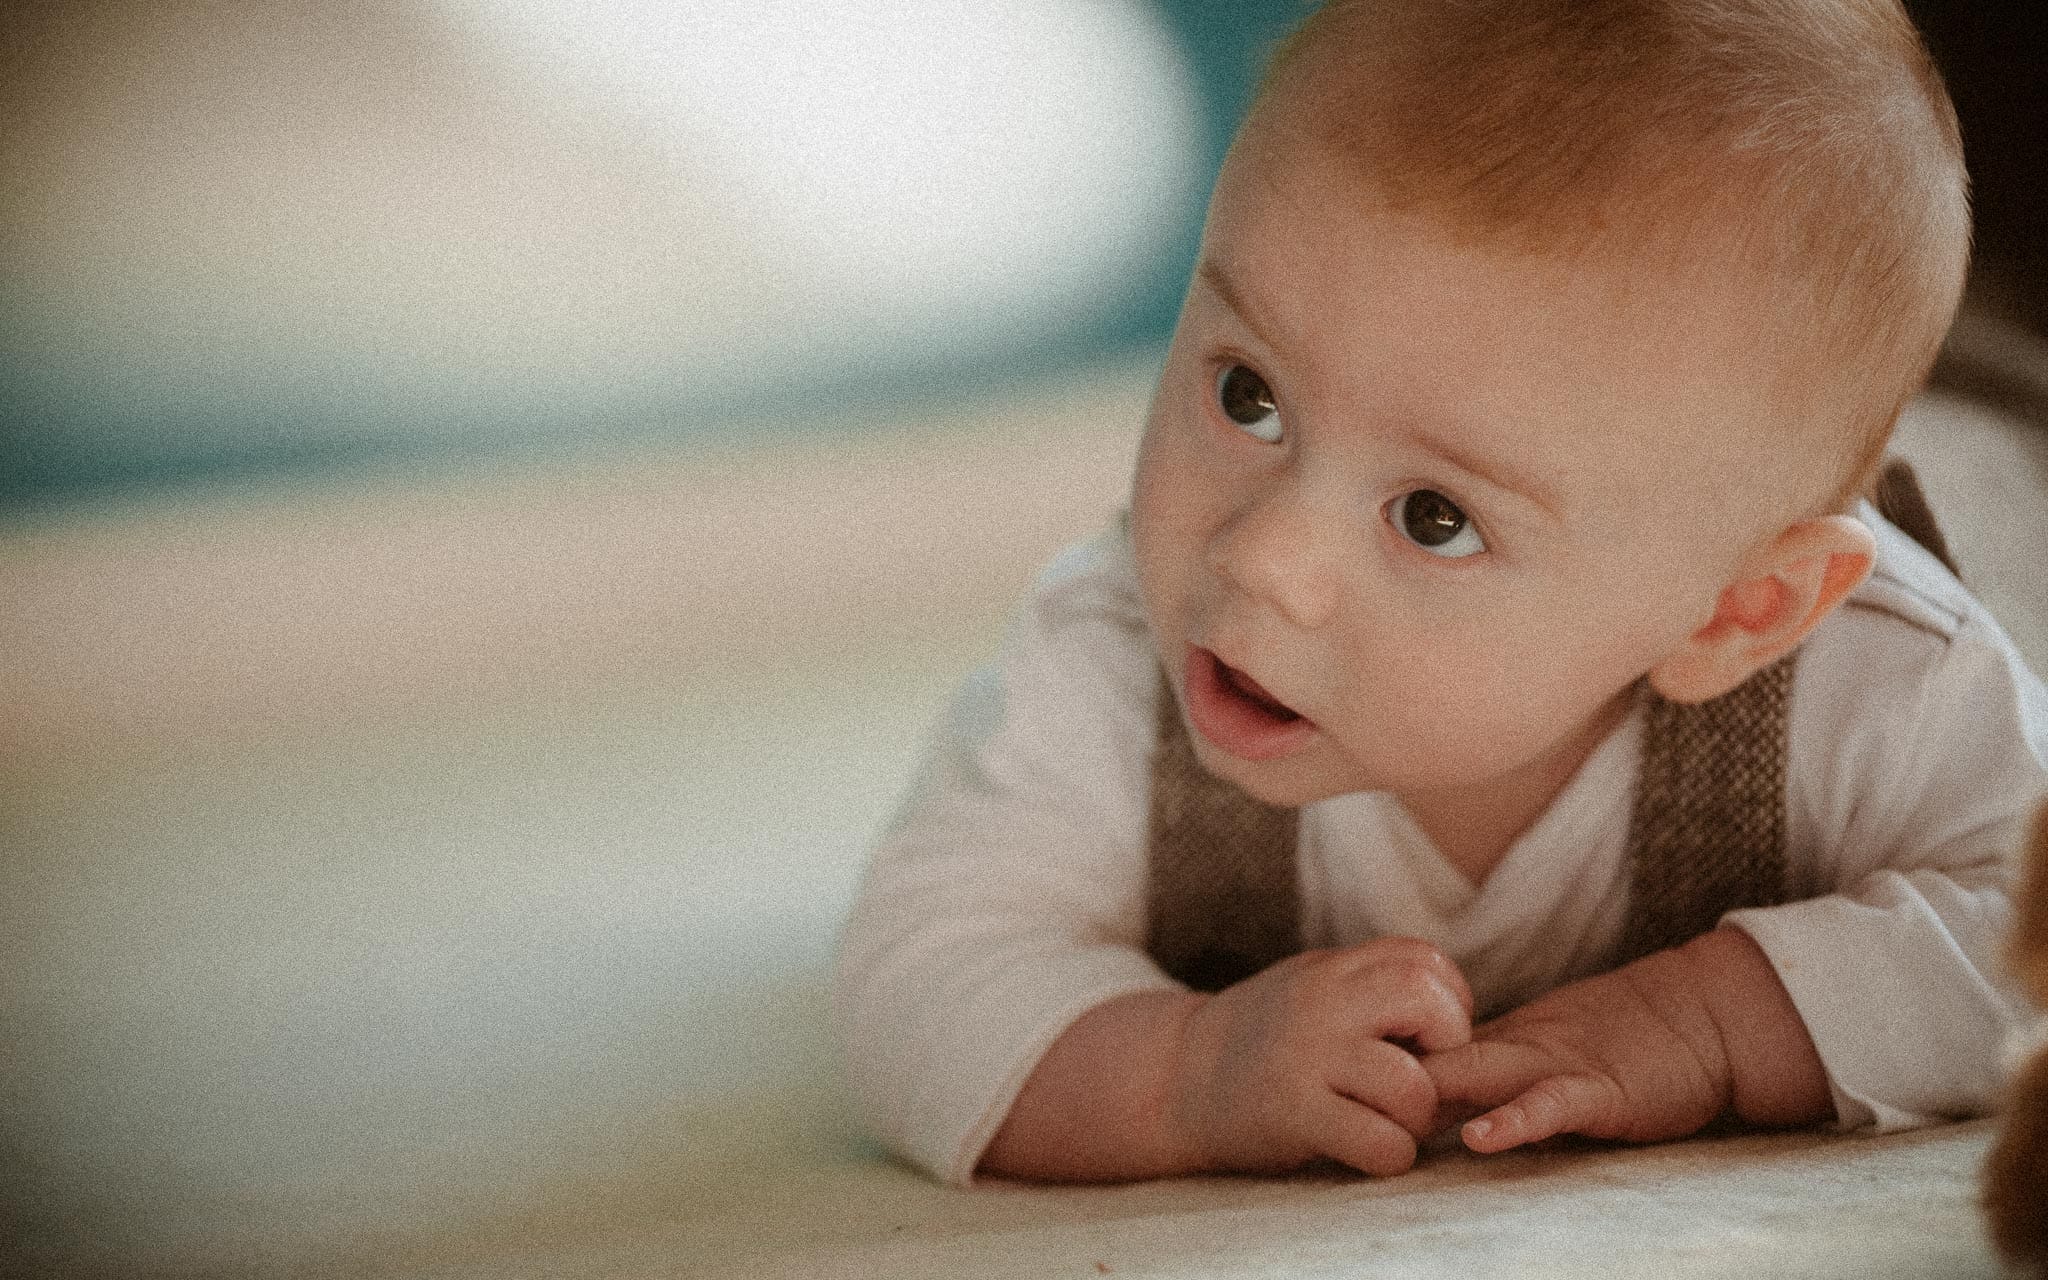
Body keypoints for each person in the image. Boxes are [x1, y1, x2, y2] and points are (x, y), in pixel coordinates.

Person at [833, 0, 2048, 1186]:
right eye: (1248, 393)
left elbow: (2025, 935)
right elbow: (921, 964)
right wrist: (1181, 1071)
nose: (1261, 559)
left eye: (1434, 516)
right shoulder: (1103, 663)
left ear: (1737, 614)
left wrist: (1722, 1019)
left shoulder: (1884, 678)